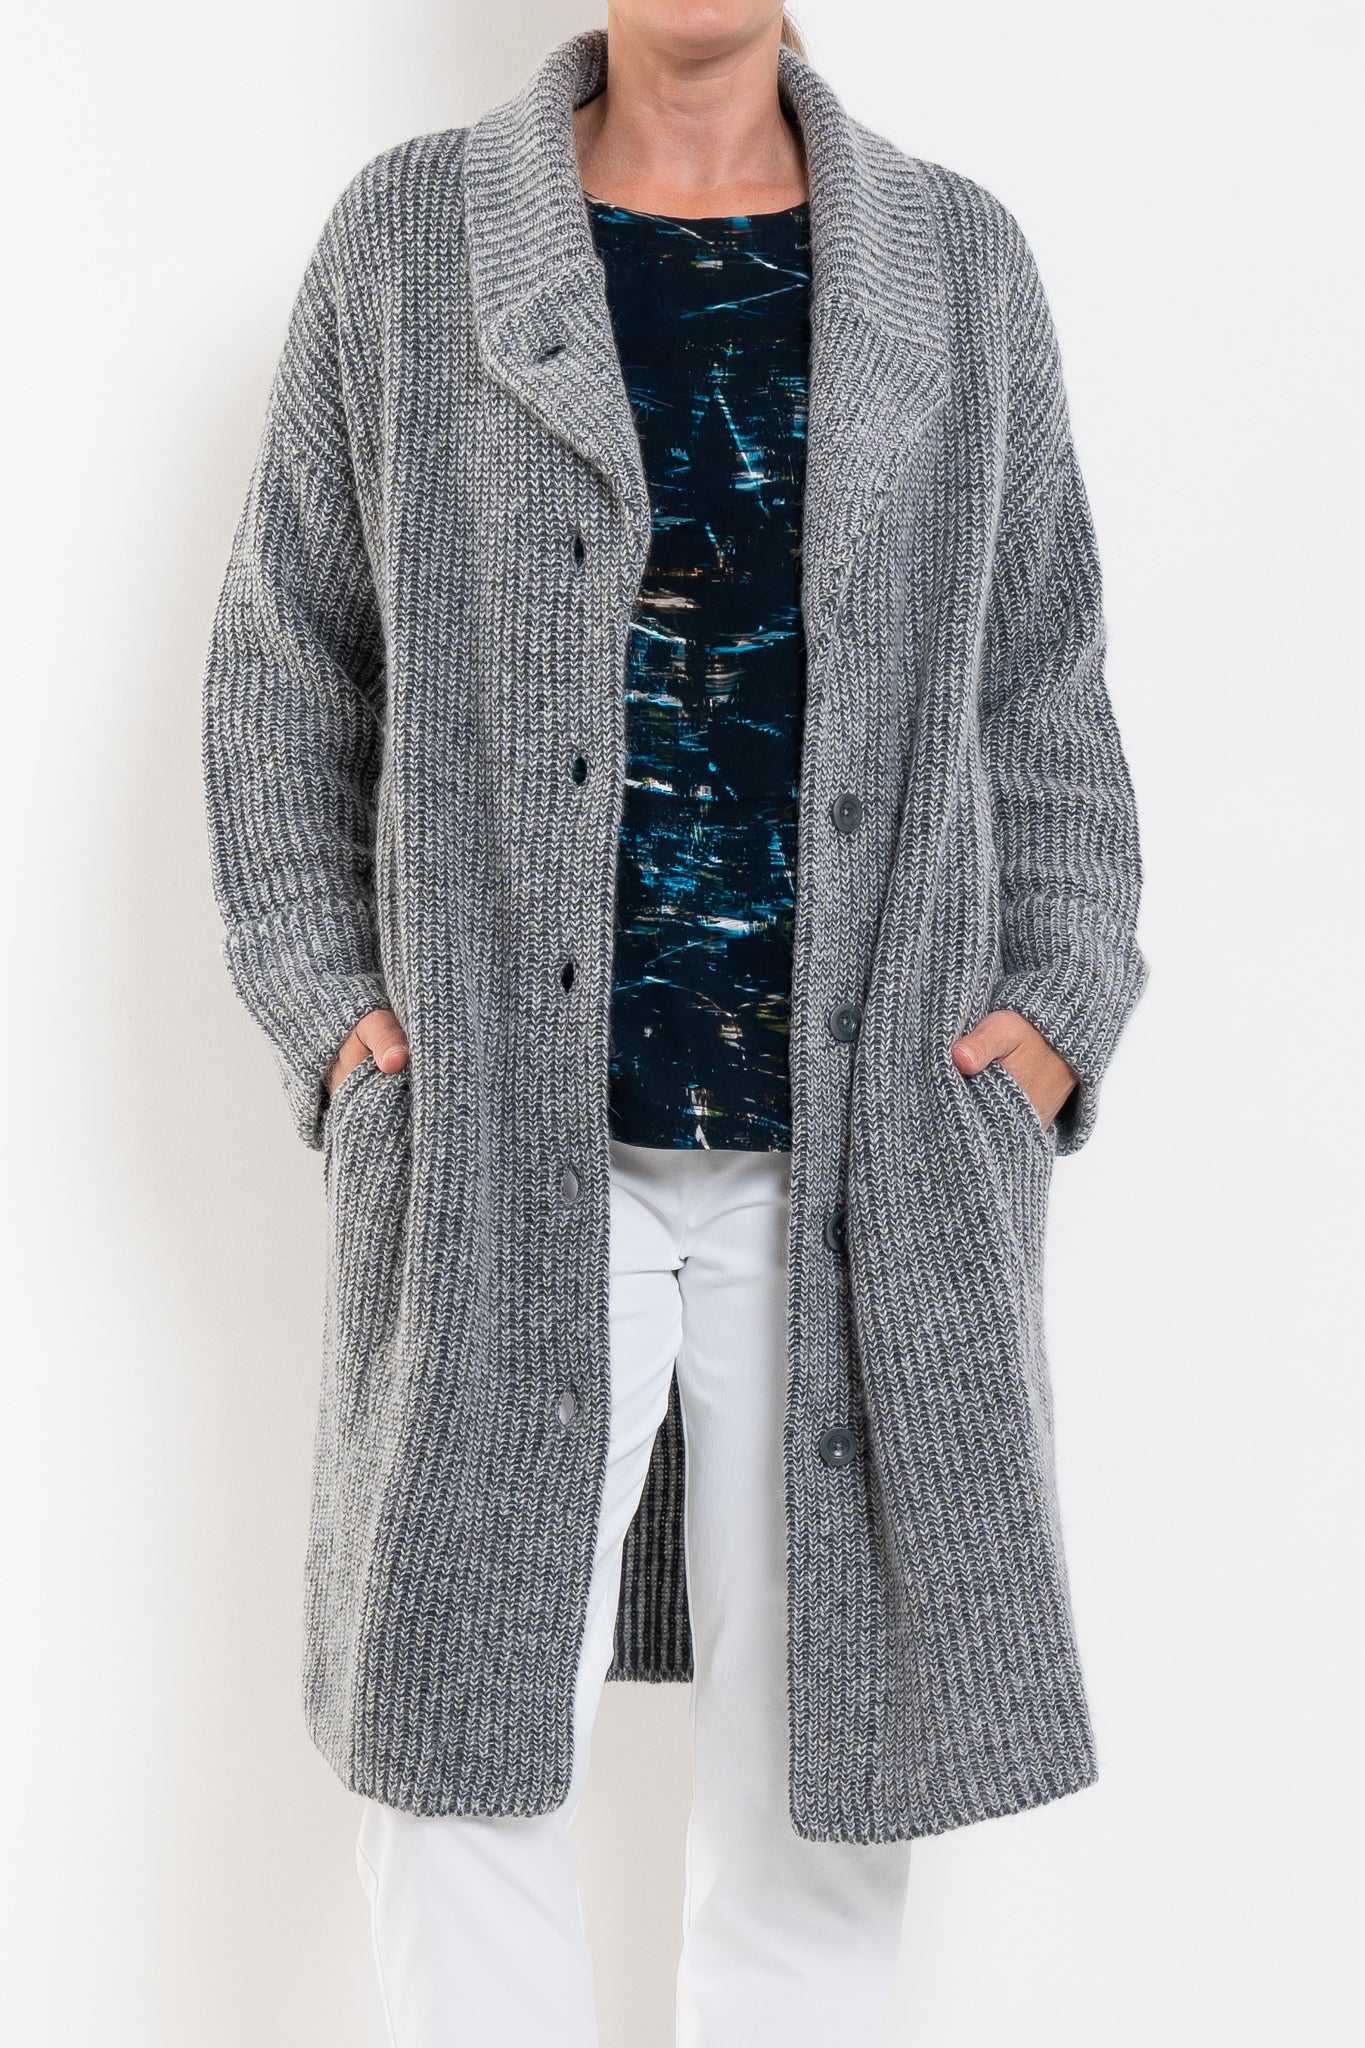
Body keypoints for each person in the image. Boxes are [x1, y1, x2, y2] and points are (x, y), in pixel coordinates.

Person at [201, 7, 1147, 2043]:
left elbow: (1043, 686)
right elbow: (288, 661)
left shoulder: (954, 263)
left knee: (824, 1791)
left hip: (858, 1159)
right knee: (451, 1756)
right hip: (498, 1143)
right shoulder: (412, 241)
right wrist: (335, 1017)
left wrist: (1053, 1014)